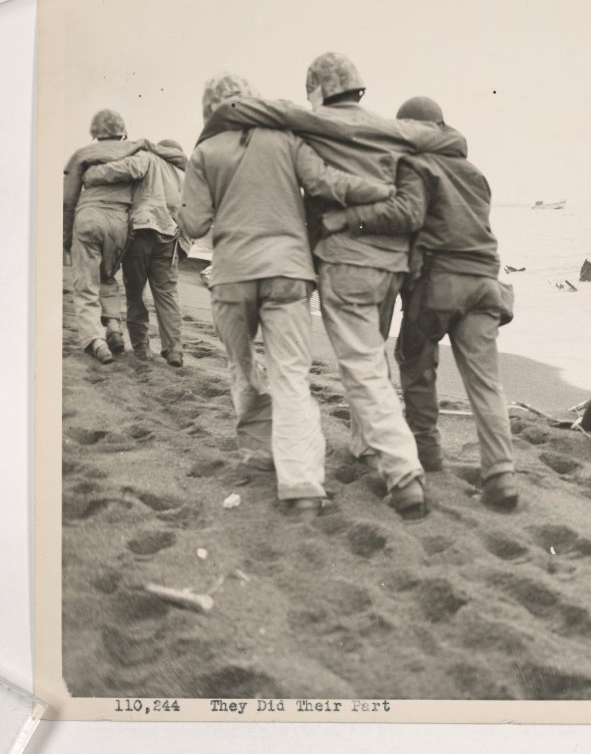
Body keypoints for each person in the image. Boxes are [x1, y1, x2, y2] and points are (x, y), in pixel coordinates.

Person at [197, 53, 469, 519]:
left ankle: (400, 472)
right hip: (390, 265)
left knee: (353, 367)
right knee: (368, 359)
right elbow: (447, 140)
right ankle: (365, 452)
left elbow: (252, 121)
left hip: (338, 263)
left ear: (318, 90)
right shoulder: (386, 128)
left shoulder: (310, 120)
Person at [179, 72, 396, 514]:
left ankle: (260, 454)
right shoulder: (286, 140)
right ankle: (301, 484)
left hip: (232, 274)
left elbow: (194, 224)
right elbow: (326, 184)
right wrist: (379, 192)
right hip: (289, 273)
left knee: (241, 367)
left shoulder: (204, 151)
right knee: (292, 376)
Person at [346, 96, 519, 509]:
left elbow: (406, 218)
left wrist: (352, 220)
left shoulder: (417, 166)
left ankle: (427, 452)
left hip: (441, 286)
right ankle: (501, 477)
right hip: (486, 284)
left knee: (415, 360)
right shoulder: (475, 173)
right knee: (486, 385)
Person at [81, 140, 190, 365]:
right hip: (169, 238)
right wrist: (183, 247)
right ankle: (174, 351)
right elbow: (191, 213)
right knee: (167, 296)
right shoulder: (183, 173)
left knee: (136, 295)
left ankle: (141, 349)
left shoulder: (149, 158)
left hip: (141, 232)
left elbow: (130, 170)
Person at [63, 110, 145, 363]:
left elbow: (69, 201)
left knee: (86, 283)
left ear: (94, 131)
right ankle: (113, 327)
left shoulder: (82, 155)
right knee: (107, 275)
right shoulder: (136, 152)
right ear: (122, 130)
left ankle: (95, 341)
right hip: (120, 221)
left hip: (89, 216)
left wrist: (66, 238)